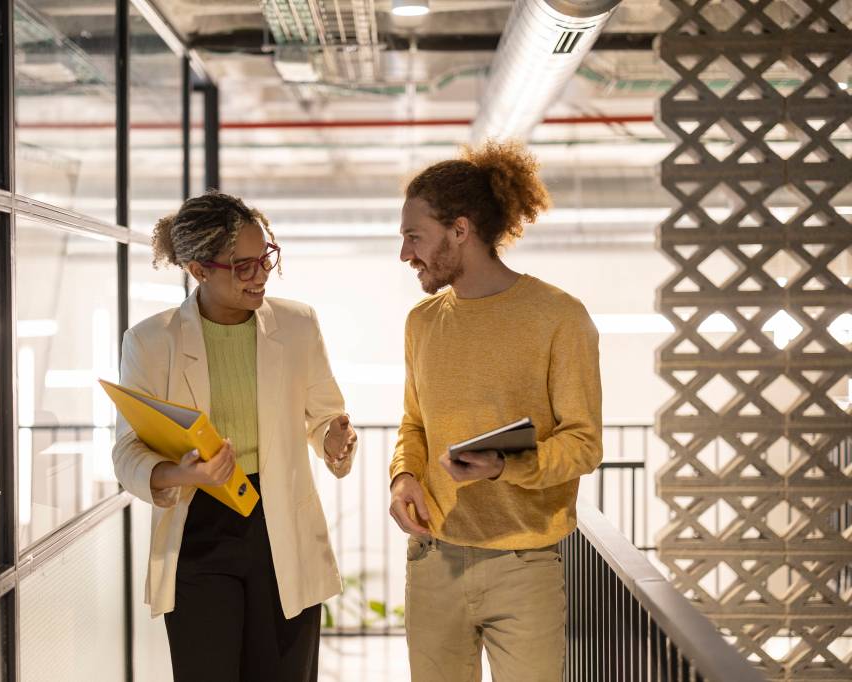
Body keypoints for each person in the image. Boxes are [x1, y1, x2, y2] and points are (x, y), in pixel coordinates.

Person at [112, 190, 357, 682]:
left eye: (266, 257)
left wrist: (333, 439)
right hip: (200, 524)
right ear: (199, 270)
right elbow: (126, 451)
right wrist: (181, 473)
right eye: (242, 265)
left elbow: (326, 415)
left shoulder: (297, 323)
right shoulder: (152, 340)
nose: (261, 274)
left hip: (281, 520)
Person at [388, 140, 603, 681]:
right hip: (433, 560)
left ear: (460, 230)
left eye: (415, 237)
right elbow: (414, 423)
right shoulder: (422, 322)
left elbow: (583, 443)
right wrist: (404, 476)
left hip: (524, 565)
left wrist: (506, 466)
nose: (405, 253)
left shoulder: (559, 318)